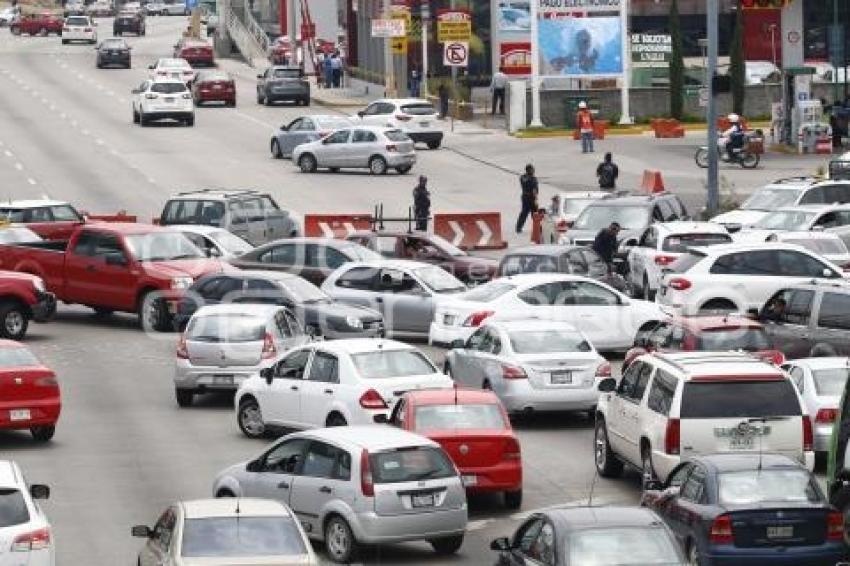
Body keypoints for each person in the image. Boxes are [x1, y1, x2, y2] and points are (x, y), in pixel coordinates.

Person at [516, 164, 539, 233]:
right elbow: (525, 182)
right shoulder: (524, 177)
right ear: (528, 170)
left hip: (532, 197)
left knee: (535, 214)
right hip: (526, 197)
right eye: (532, 169)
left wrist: (535, 198)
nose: (533, 171)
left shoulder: (534, 178)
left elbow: (535, 189)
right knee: (524, 213)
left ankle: (537, 228)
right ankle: (518, 228)